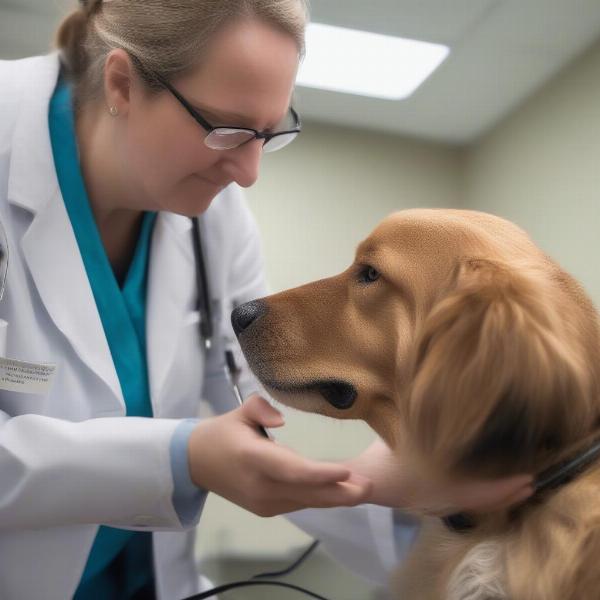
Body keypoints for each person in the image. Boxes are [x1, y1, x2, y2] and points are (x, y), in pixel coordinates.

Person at [0, 1, 533, 598]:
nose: (249, 172)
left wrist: (409, 487)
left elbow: (264, 392)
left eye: (267, 133)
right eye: (225, 129)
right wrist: (184, 458)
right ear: (122, 83)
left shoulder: (214, 215)